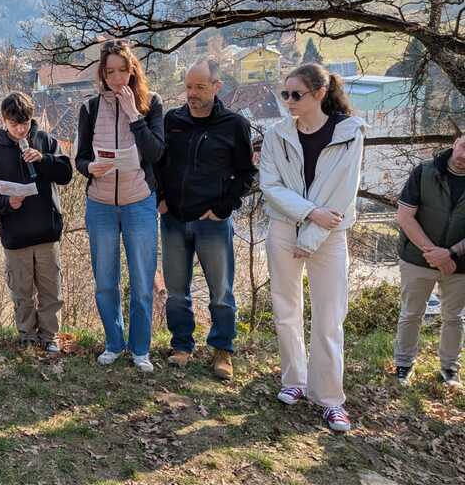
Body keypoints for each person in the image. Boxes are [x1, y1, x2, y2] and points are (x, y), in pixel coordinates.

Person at [259, 62, 366, 433]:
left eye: (296, 94)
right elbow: (270, 186)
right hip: (285, 228)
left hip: (329, 234)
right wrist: (308, 214)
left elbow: (343, 192)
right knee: (285, 307)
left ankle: (330, 398)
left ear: (319, 93)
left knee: (329, 316)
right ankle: (294, 380)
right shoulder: (276, 134)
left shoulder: (350, 133)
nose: (288, 101)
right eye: (285, 94)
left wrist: (312, 234)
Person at [157, 59, 256, 380]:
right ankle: (181, 345)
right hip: (173, 219)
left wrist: (224, 208)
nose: (192, 93)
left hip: (212, 222)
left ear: (216, 87)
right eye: (188, 86)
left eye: (200, 87)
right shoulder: (172, 120)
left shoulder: (234, 125)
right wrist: (160, 198)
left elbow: (246, 173)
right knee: (176, 290)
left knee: (221, 291)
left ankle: (222, 351)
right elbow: (159, 164)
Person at [75, 39, 164, 371]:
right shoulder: (90, 108)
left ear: (132, 70)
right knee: (105, 281)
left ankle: (140, 349)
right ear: (102, 73)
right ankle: (114, 342)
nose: (116, 78)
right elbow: (80, 158)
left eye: (122, 71)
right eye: (109, 72)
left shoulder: (151, 104)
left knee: (142, 282)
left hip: (139, 202)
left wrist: (133, 115)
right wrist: (89, 167)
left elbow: (156, 153)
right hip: (100, 205)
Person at [0, 92, 73, 353]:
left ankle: (49, 336)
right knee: (22, 292)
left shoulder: (46, 141)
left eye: (25, 123)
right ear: (3, 121)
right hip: (16, 236)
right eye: (14, 124)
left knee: (51, 290)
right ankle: (27, 336)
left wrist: (43, 159)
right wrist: (7, 203)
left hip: (46, 232)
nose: (21, 129)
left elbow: (66, 174)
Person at [391, 135, 465, 389]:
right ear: (456, 142)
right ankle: (403, 364)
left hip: (459, 264)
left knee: (454, 317)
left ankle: (449, 369)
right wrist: (434, 253)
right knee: (411, 313)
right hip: (417, 259)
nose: (463, 156)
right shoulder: (424, 171)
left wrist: (451, 253)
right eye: (463, 146)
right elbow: (405, 217)